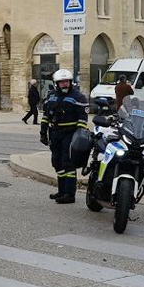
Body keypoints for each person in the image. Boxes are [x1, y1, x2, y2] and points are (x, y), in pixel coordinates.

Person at [40, 68, 88, 204]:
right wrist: (43, 132)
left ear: (70, 82)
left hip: (70, 133)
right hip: (54, 133)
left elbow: (83, 118)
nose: (64, 84)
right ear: (56, 83)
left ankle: (69, 194)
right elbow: (45, 116)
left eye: (66, 81)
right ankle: (61, 191)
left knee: (68, 163)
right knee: (57, 162)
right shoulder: (51, 96)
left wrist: (79, 136)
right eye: (61, 82)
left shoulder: (78, 97)